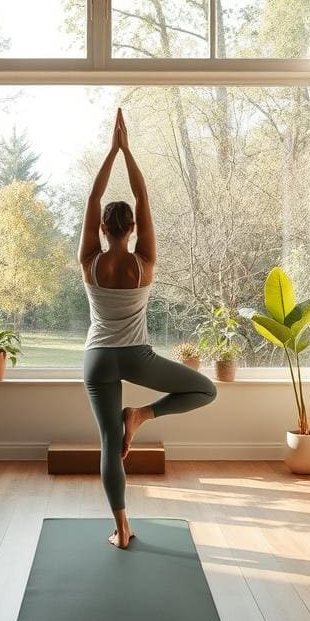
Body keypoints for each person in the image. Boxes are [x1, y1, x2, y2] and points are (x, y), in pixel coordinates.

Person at [78, 108, 218, 549]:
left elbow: (92, 199)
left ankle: (122, 529)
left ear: (102, 228)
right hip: (136, 355)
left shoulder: (90, 263)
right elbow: (142, 195)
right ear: (134, 229)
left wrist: (110, 151)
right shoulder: (145, 263)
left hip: (97, 357)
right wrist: (127, 149)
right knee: (205, 390)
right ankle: (143, 414)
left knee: (107, 442)